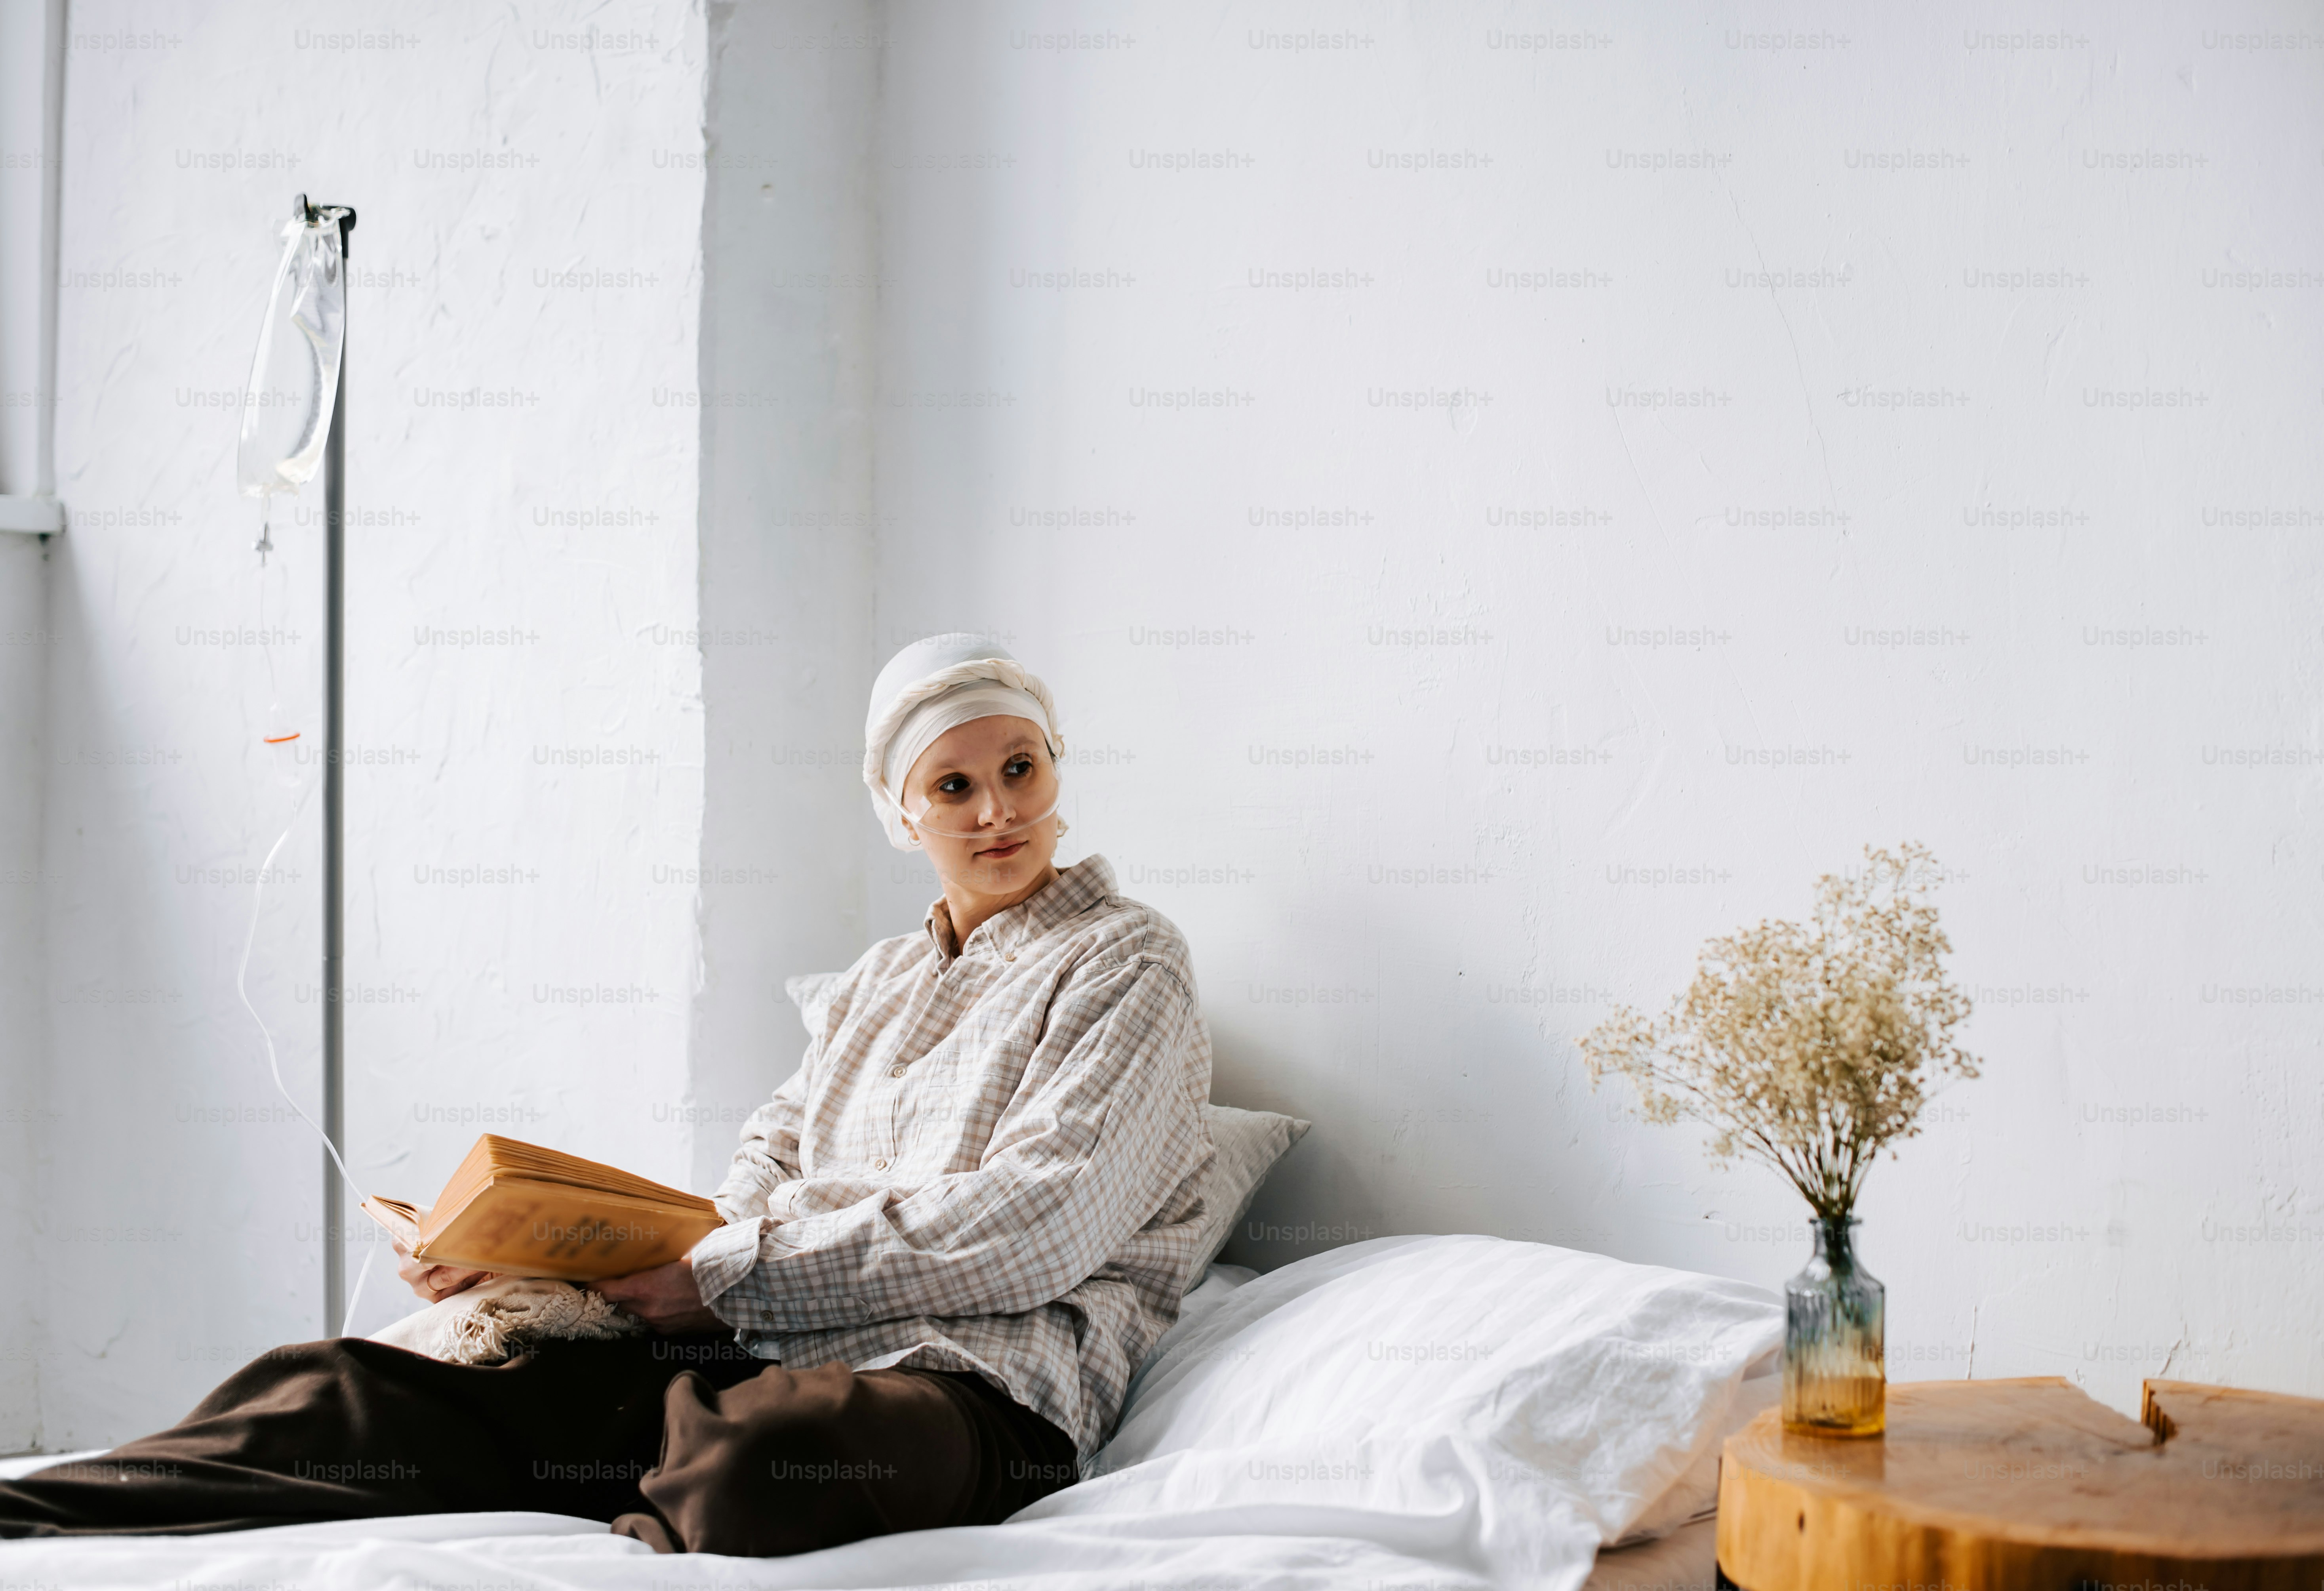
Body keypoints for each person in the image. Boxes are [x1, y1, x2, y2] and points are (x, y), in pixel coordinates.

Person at [0, 637, 1217, 1555]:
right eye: (952, 787)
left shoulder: (1127, 958)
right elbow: (755, 1180)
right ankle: (34, 1513)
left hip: (968, 1394)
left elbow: (1036, 1227)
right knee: (339, 1389)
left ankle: (610, 1519)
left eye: (1019, 767)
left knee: (761, 1460)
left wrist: (727, 1273)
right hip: (740, 1351)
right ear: (901, 815)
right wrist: (572, 1265)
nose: (997, 809)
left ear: (1057, 769)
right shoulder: (870, 988)